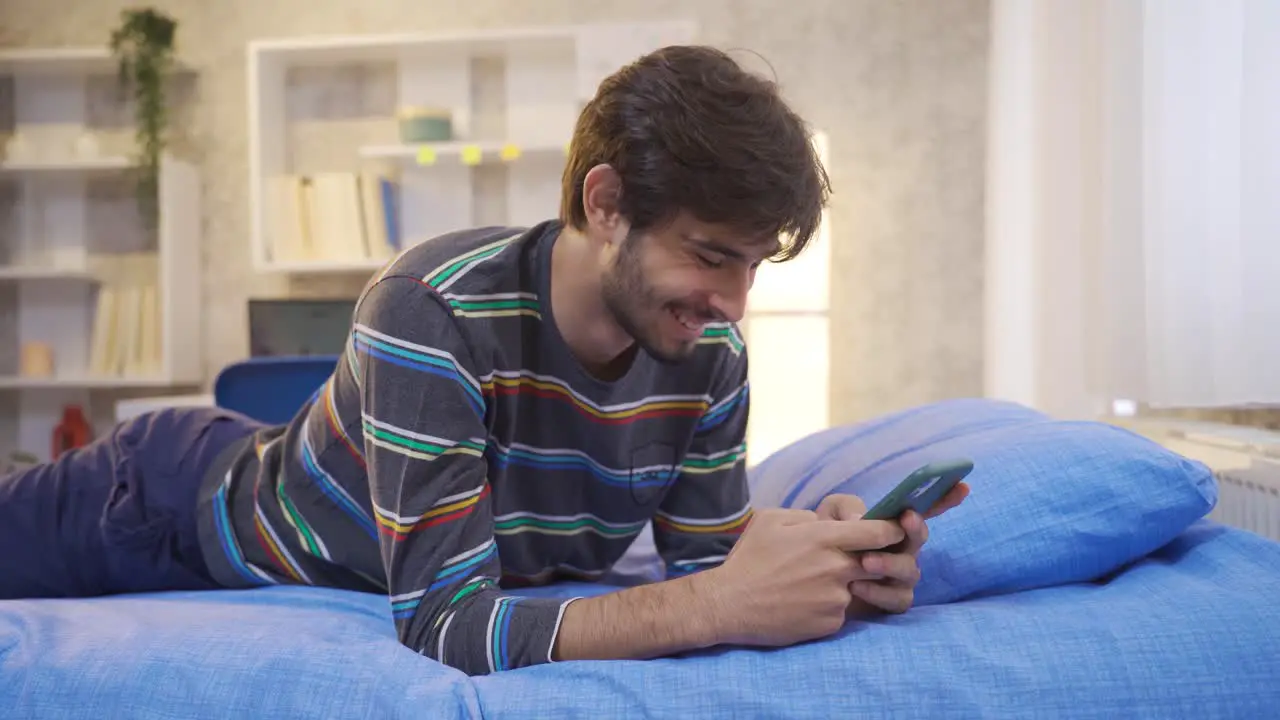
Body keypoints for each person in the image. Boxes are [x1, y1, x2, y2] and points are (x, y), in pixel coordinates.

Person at [0, 45, 968, 676]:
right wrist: (717, 602)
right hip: (161, 507)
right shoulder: (434, 307)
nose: (732, 304)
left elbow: (704, 561)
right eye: (712, 256)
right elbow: (449, 629)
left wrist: (827, 554)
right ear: (603, 202)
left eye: (753, 267)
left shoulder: (704, 349)